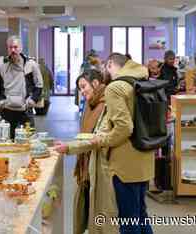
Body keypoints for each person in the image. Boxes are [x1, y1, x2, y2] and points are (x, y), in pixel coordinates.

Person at [56, 53, 154, 234]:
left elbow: (124, 128)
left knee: (128, 222)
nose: (103, 73)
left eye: (105, 67)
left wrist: (101, 140)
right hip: (143, 161)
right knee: (140, 215)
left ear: (110, 65)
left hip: (123, 167)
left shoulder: (115, 88)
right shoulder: (140, 81)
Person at [73, 69, 113, 234]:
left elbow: (104, 136)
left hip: (101, 164)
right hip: (87, 162)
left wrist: (70, 147)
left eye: (84, 87)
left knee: (101, 210)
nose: (82, 92)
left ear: (95, 83)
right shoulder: (91, 104)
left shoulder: (107, 103)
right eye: (80, 89)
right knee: (88, 205)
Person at [0, 35, 43, 139]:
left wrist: (33, 99)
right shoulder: (0, 67)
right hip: (7, 111)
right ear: (7, 49)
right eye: (10, 47)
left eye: (15, 47)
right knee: (7, 143)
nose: (13, 50)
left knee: (29, 142)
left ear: (21, 48)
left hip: (26, 111)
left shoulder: (31, 65)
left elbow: (39, 85)